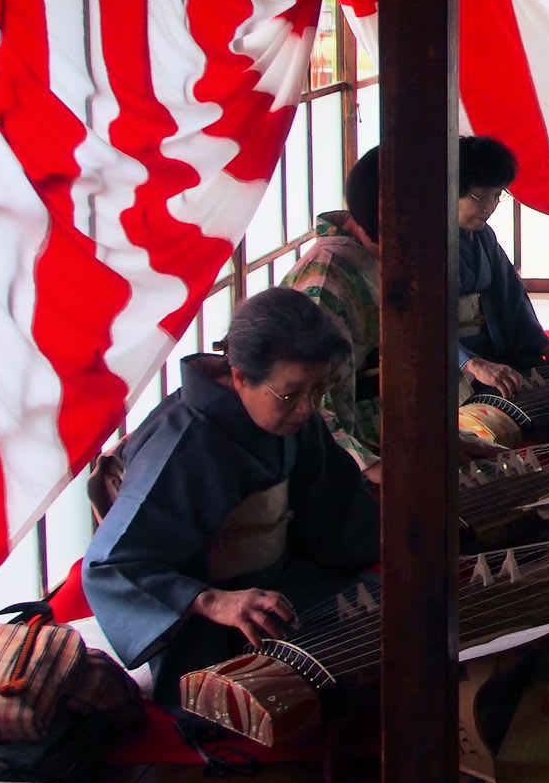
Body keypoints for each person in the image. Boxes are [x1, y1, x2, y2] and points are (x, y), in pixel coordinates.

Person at [83, 288, 380, 705]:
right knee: (286, 702)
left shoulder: (293, 416)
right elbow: (109, 565)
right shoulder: (184, 443)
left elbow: (334, 506)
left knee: (388, 628)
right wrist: (210, 601)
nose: (307, 408)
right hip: (213, 620)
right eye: (291, 393)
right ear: (239, 376)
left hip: (281, 587)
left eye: (318, 389)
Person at [281, 146, 382, 471]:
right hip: (335, 457)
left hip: (380, 431)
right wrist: (367, 466)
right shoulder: (324, 283)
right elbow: (312, 402)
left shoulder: (368, 258)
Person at [455, 134, 549, 395]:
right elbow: (421, 325)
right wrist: (470, 362)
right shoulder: (421, 246)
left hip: (491, 351)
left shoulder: (484, 236)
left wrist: (544, 347)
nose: (489, 207)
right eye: (480, 197)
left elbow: (512, 299)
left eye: (496, 196)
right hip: (448, 361)